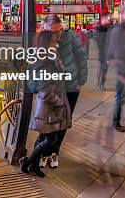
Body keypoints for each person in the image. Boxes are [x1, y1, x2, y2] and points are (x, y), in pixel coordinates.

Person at [31, 15, 87, 169]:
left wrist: (80, 81)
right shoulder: (42, 42)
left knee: (62, 124)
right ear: (45, 30)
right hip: (53, 90)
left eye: (59, 30)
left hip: (71, 87)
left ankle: (54, 152)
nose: (58, 35)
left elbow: (81, 57)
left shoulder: (69, 36)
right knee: (47, 124)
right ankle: (43, 152)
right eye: (53, 32)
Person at [20, 29, 72, 178]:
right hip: (50, 104)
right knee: (50, 139)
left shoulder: (51, 56)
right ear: (47, 42)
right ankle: (28, 161)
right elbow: (45, 86)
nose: (56, 41)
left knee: (45, 137)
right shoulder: (44, 60)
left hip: (53, 101)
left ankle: (33, 165)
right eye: (54, 40)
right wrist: (57, 102)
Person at [106, 9, 125, 132]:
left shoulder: (118, 29)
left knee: (120, 94)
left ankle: (116, 120)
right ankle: (115, 121)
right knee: (120, 94)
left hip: (123, 65)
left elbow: (111, 46)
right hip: (123, 66)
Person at [96, 14, 112, 90]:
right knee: (103, 68)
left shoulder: (107, 28)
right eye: (106, 19)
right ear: (103, 20)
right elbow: (100, 42)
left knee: (103, 68)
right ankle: (101, 84)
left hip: (106, 52)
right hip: (104, 53)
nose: (108, 20)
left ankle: (100, 83)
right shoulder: (101, 29)